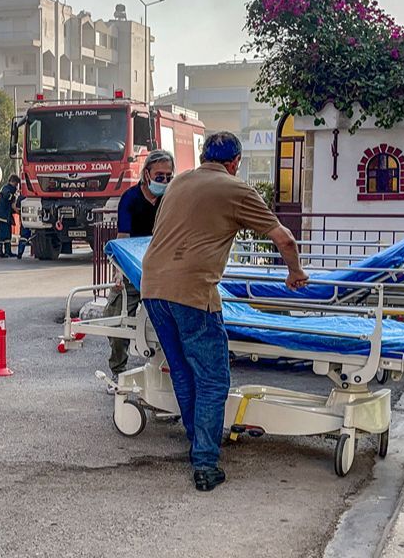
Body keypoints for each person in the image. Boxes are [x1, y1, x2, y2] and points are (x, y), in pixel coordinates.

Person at [141, 132, 308, 492]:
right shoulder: (236, 189)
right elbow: (284, 239)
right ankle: (204, 463)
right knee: (213, 378)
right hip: (191, 291)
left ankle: (197, 443)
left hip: (153, 287)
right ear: (235, 162)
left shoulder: (179, 182)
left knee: (183, 371)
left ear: (203, 156)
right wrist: (295, 272)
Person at [103, 149, 173, 380]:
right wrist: (119, 273)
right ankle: (118, 369)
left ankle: (169, 369)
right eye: (159, 176)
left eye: (168, 177)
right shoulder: (131, 198)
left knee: (170, 320)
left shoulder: (170, 198)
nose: (163, 181)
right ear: (146, 174)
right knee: (116, 313)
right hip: (133, 265)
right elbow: (122, 238)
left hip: (163, 268)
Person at [0, 174, 20, 258]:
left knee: (8, 234)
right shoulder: (6, 188)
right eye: (16, 184)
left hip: (6, 215)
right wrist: (14, 197)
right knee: (2, 233)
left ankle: (8, 251)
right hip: (2, 215)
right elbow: (7, 196)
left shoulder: (9, 189)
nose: (16, 186)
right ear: (13, 182)